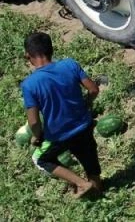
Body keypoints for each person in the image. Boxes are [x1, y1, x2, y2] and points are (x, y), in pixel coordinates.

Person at [20, 32, 102, 198]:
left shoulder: (29, 84)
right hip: (83, 125)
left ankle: (80, 183)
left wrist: (37, 136)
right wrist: (86, 105)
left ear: (27, 56)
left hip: (59, 135)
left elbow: (34, 121)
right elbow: (93, 89)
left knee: (41, 159)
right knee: (90, 162)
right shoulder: (70, 65)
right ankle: (97, 191)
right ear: (52, 50)